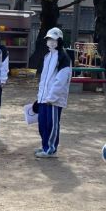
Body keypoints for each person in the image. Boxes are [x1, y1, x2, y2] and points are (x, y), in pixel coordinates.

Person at [34, 27, 72, 158]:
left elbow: (61, 80)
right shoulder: (47, 56)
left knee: (51, 125)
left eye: (54, 39)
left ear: (59, 41)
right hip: (44, 98)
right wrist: (40, 97)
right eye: (49, 39)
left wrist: (52, 97)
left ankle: (51, 150)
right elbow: (43, 79)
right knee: (42, 124)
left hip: (54, 100)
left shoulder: (63, 57)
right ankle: (45, 145)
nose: (51, 42)